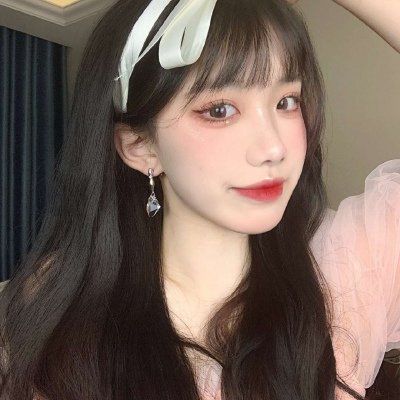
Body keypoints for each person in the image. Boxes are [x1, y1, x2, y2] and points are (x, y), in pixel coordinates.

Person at [0, 0, 398, 399]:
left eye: (286, 102)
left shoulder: (344, 265)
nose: (274, 148)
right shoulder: (58, 325)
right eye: (220, 110)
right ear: (140, 146)